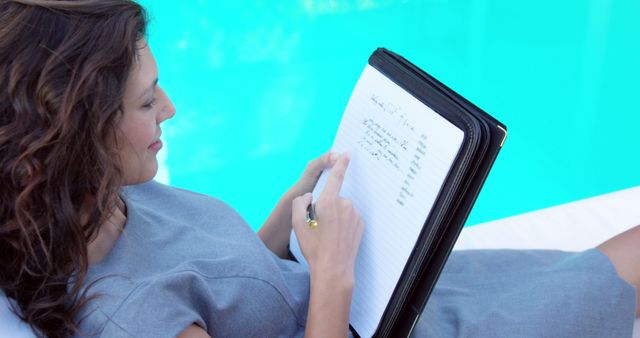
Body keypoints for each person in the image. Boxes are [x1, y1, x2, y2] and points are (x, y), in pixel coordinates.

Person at [0, 1, 637, 337]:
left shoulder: (102, 203)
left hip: (374, 300)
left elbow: (210, 291)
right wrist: (330, 270)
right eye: (146, 101)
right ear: (76, 131)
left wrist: (283, 215)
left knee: (582, 268)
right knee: (606, 279)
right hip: (366, 318)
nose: (171, 108)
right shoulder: (129, 320)